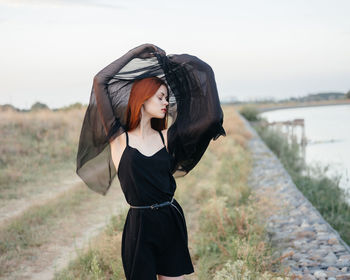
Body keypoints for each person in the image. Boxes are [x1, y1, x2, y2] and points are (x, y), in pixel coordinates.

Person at [76, 43, 226, 280]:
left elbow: (211, 118)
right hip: (139, 227)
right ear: (143, 99)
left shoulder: (167, 138)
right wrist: (135, 52)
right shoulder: (118, 138)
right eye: (160, 97)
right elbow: (100, 81)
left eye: (167, 97)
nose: (166, 103)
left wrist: (176, 67)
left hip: (170, 220)